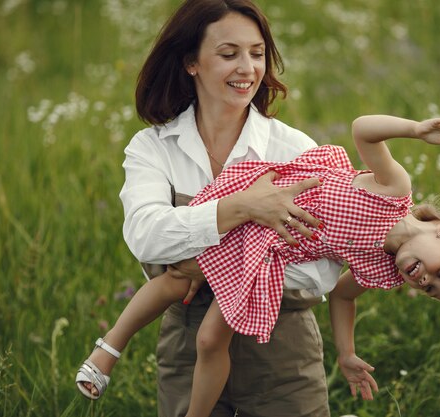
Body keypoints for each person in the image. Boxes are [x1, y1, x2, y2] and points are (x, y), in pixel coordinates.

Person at [75, 112, 440, 415]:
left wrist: (346, 352)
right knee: (177, 279)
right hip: (264, 208)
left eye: (433, 290)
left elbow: (342, 294)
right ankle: (108, 350)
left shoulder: (378, 268)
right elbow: (362, 129)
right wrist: (415, 130)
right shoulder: (394, 190)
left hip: (266, 251)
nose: (423, 279)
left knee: (209, 333)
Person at [76, 1, 342, 416]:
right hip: (187, 348)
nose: (248, 68)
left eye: (257, 53)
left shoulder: (294, 149)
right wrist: (244, 209)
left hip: (283, 352)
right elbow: (146, 236)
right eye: (228, 53)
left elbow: (323, 269)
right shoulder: (153, 148)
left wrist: (207, 265)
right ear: (191, 63)